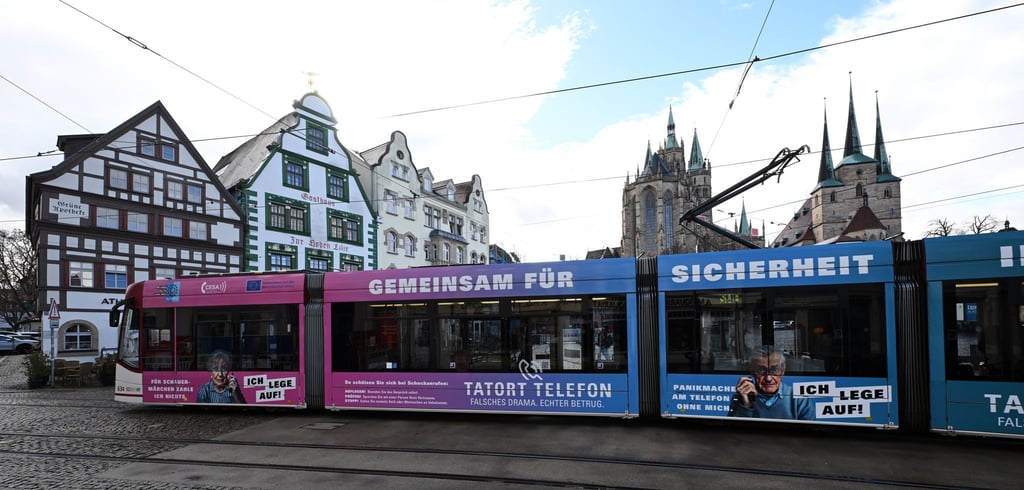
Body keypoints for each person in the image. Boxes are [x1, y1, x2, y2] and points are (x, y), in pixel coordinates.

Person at [728, 346, 812, 420]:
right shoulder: (742, 395)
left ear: (783, 371)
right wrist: (746, 405)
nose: (768, 378)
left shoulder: (799, 398)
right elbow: (734, 431)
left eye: (775, 370)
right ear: (752, 372)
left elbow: (810, 433)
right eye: (761, 370)